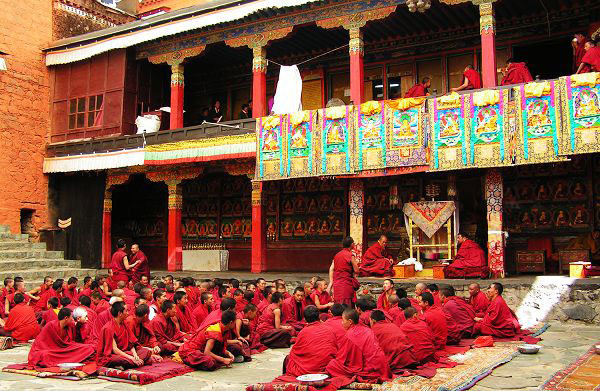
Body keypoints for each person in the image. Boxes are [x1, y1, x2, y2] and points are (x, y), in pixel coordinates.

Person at [326, 308, 391, 383]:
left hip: (369, 369)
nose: (342, 323)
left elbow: (342, 359)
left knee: (332, 365)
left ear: (350, 322)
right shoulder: (367, 329)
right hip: (382, 366)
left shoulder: (350, 335)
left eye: (343, 320)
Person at [97, 301, 157, 368]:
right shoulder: (108, 328)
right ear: (120, 313)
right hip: (115, 355)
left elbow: (131, 343)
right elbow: (115, 349)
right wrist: (131, 358)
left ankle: (126, 365)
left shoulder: (124, 324)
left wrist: (135, 355)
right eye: (126, 311)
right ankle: (129, 363)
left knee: (146, 352)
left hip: (127, 352)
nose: (128, 313)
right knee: (122, 360)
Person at [28, 308, 96, 367]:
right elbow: (41, 342)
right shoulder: (51, 325)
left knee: (88, 347)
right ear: (66, 318)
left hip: (64, 349)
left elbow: (70, 342)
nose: (73, 319)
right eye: (72, 317)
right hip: (52, 350)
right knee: (45, 355)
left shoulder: (70, 326)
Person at [282, 306, 337, 377]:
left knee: (288, 359)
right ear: (319, 316)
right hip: (326, 366)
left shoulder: (303, 332)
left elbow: (295, 352)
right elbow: (335, 350)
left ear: (305, 319)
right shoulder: (329, 329)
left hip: (307, 369)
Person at [328, 236, 360, 306]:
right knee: (346, 306)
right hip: (346, 284)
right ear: (351, 244)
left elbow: (331, 268)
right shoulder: (350, 255)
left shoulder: (336, 255)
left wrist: (331, 283)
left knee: (338, 305)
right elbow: (357, 270)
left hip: (337, 284)